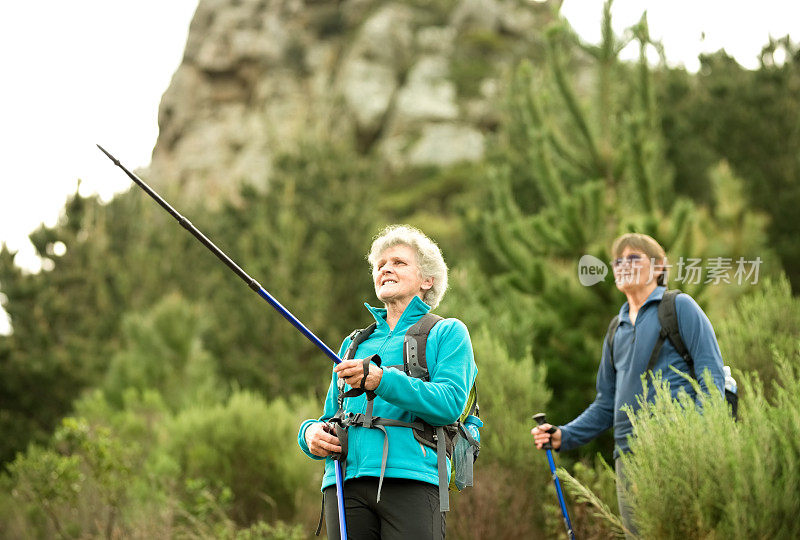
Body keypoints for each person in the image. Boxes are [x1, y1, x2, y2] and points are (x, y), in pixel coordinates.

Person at [531, 233, 725, 537]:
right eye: (618, 261)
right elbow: (606, 404)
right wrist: (563, 436)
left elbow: (711, 377)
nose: (623, 265)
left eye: (634, 258)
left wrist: (696, 438)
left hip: (680, 449)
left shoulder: (679, 307)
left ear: (659, 267)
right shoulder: (615, 329)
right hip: (629, 457)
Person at [298, 224, 480, 540]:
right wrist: (309, 434)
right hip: (343, 484)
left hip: (413, 481)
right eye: (380, 264)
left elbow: (449, 404)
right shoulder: (354, 343)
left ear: (427, 280)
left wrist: (381, 380)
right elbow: (331, 415)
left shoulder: (447, 333)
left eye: (398, 262)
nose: (386, 268)